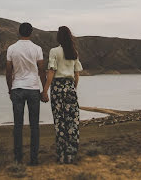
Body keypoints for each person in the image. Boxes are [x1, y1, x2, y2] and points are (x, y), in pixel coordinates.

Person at [6, 22, 46, 165]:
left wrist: (10, 89)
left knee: (18, 125)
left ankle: (18, 159)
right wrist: (44, 90)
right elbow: (41, 70)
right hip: (33, 89)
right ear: (31, 33)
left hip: (17, 88)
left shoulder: (11, 49)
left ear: (19, 32)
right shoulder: (37, 49)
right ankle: (34, 160)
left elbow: (8, 71)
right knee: (34, 126)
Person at [41, 25, 83, 164]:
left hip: (57, 89)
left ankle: (61, 156)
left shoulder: (54, 51)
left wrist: (45, 90)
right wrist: (73, 88)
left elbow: (51, 72)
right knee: (73, 122)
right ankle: (71, 155)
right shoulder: (74, 52)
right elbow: (77, 75)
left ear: (58, 37)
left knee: (60, 122)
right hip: (70, 88)